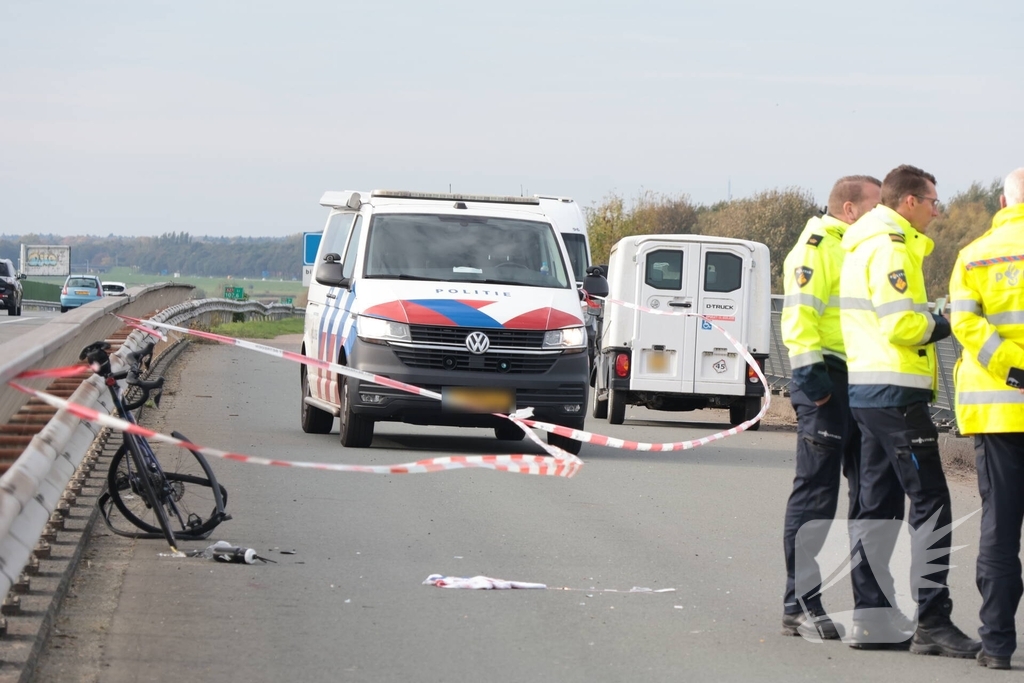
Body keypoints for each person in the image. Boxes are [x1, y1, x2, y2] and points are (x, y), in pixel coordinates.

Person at [839, 164, 980, 657]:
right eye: (933, 202)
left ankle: (871, 617)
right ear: (908, 203)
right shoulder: (891, 247)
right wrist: (946, 320)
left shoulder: (862, 242)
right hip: (897, 393)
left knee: (876, 506)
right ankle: (933, 621)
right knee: (931, 504)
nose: (938, 211)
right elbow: (902, 326)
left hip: (868, 391)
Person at [779, 175, 881, 639]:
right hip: (827, 380)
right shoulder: (817, 246)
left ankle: (873, 608)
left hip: (859, 381)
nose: (883, 215)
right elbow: (799, 317)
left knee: (869, 496)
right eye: (876, 206)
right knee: (817, 496)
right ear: (849, 208)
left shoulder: (857, 246)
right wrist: (816, 387)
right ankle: (798, 604)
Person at [948, 167, 1024, 670]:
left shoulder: (974, 255)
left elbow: (963, 322)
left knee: (999, 529)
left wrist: (1013, 367)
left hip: (998, 410)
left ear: (1002, 199)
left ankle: (996, 644)